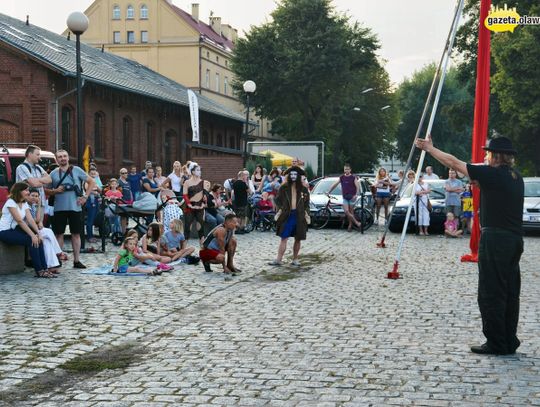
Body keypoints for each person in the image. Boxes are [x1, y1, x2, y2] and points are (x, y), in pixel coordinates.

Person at [416, 135, 524, 355]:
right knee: (510, 291)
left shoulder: (491, 173)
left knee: (491, 291)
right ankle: (509, 339)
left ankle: (496, 342)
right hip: (514, 239)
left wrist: (430, 149)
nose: (485, 157)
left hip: (496, 239)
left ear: (495, 156)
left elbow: (454, 163)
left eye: (488, 153)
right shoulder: (515, 176)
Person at [48, 150, 95, 269]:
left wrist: (85, 196)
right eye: (60, 157)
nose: (62, 158)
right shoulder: (53, 173)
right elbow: (45, 190)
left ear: (68, 158)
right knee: (59, 234)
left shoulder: (77, 170)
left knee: (76, 234)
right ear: (57, 160)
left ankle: (76, 260)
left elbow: (91, 182)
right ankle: (58, 260)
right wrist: (55, 191)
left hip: (76, 207)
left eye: (64, 156)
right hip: (59, 208)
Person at [0, 183, 53, 278]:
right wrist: (32, 235)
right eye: (26, 190)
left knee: (38, 240)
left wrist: (38, 233)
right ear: (19, 191)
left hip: (15, 230)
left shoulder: (24, 203)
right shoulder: (11, 202)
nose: (28, 192)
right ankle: (39, 270)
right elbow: (19, 221)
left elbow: (31, 220)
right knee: (32, 241)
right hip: (5, 232)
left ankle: (45, 269)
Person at [268, 166, 310, 267]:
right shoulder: (284, 187)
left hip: (299, 216)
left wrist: (306, 213)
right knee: (284, 237)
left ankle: (295, 259)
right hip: (287, 215)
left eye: (295, 174)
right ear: (289, 176)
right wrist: (281, 209)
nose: (293, 176)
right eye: (291, 174)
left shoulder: (304, 189)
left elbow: (307, 203)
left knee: (298, 238)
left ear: (299, 176)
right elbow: (278, 200)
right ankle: (278, 259)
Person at [27, 188, 62, 271]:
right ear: (28, 195)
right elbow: (33, 221)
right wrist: (38, 222)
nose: (34, 198)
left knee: (47, 241)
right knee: (48, 231)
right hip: (28, 230)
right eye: (32, 195)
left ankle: (51, 265)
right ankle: (58, 252)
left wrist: (39, 205)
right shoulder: (26, 206)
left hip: (34, 229)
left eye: (36, 196)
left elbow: (38, 219)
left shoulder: (33, 206)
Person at [15, 144, 52, 212]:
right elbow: (34, 184)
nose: (39, 157)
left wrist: (38, 181)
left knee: (40, 222)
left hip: (40, 203)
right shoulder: (22, 167)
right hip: (27, 204)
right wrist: (42, 181)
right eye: (37, 154)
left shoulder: (39, 167)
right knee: (29, 222)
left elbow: (49, 179)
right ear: (30, 154)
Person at [328, 163, 361, 231]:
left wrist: (356, 195)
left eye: (348, 169)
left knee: (351, 212)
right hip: (345, 197)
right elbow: (335, 185)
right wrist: (329, 191)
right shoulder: (342, 177)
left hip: (352, 197)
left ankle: (350, 225)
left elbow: (357, 186)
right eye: (345, 169)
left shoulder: (353, 177)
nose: (346, 170)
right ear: (344, 170)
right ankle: (356, 222)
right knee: (346, 211)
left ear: (350, 170)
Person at [182, 162, 206, 241]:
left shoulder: (203, 182)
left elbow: (205, 195)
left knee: (201, 229)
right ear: (192, 172)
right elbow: (185, 195)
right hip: (190, 207)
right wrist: (189, 204)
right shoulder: (187, 182)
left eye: (200, 170)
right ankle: (183, 250)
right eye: (198, 170)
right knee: (187, 228)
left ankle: (203, 250)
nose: (200, 172)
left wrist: (203, 204)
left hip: (200, 207)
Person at [84, 167, 103, 243]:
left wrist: (97, 188)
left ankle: (91, 235)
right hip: (90, 200)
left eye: (94, 173)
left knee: (94, 218)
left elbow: (100, 190)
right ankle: (89, 236)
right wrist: (94, 191)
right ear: (89, 174)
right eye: (91, 174)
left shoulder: (96, 180)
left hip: (96, 200)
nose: (93, 175)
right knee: (90, 219)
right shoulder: (87, 181)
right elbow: (87, 189)